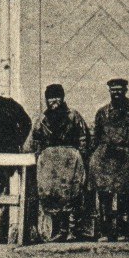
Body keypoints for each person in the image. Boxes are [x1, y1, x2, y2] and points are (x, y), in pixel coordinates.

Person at [90, 78, 129, 241]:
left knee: (127, 195)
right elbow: (96, 137)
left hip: (126, 157)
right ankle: (106, 232)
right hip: (106, 158)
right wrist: (95, 157)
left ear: (126, 91)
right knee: (105, 195)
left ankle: (126, 231)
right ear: (109, 91)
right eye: (113, 90)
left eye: (119, 90)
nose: (116, 93)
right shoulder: (102, 113)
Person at [30, 83, 91, 241]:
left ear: (62, 98)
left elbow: (83, 137)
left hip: (71, 161)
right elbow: (36, 140)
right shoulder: (42, 119)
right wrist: (40, 157)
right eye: (50, 98)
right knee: (53, 195)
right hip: (51, 165)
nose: (53, 101)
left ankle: (73, 230)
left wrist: (81, 156)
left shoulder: (73, 116)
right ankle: (58, 230)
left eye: (57, 97)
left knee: (73, 193)